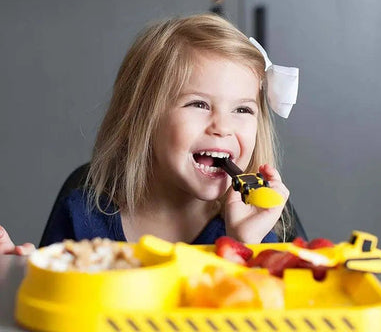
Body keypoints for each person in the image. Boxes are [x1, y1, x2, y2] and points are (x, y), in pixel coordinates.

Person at [0, 13, 301, 256]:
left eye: (243, 110)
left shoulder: (256, 224)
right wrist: (13, 282)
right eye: (199, 104)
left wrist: (244, 245)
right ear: (141, 117)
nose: (222, 127)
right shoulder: (82, 216)